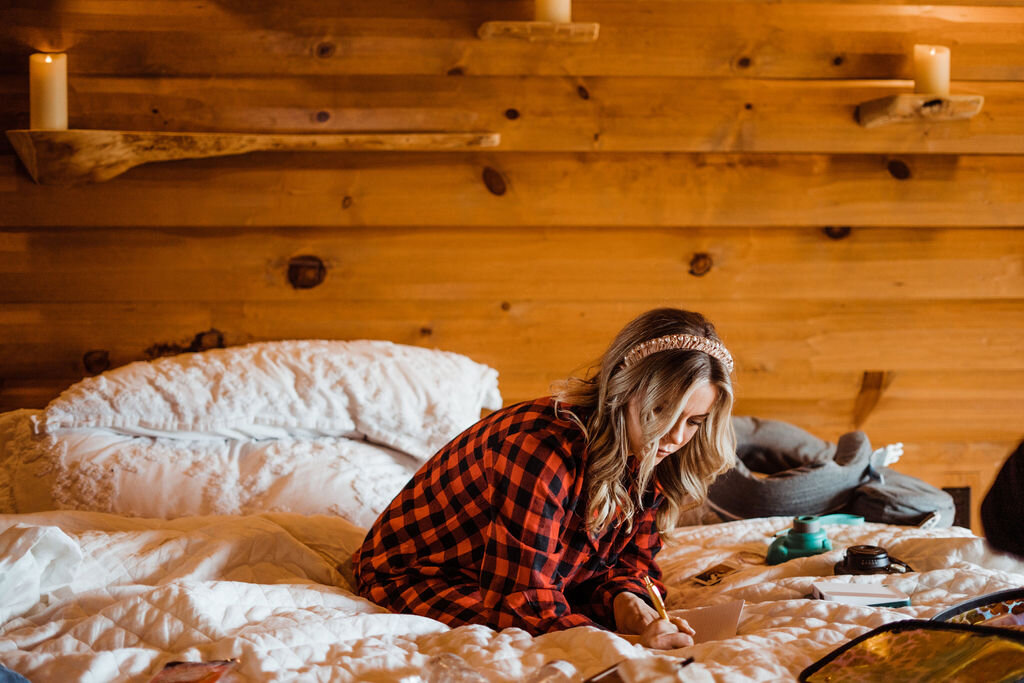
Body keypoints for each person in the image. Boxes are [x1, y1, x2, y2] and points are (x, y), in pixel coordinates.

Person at [352, 308, 737, 649]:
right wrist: (628, 643)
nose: (675, 436)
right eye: (662, 410)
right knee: (519, 638)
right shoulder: (537, 451)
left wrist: (630, 604)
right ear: (623, 389)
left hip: (538, 576)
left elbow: (630, 563)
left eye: (694, 422)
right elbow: (522, 601)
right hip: (425, 575)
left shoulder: (656, 450)